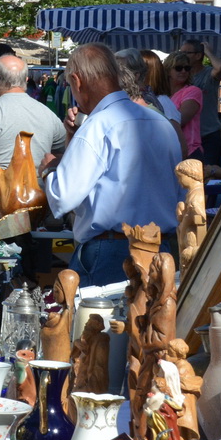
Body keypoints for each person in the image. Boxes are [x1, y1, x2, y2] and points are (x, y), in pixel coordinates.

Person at [42, 43, 183, 288]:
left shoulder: (98, 125)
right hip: (159, 248)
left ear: (77, 81)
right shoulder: (160, 122)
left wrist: (49, 170)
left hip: (112, 251)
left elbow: (63, 197)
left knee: (98, 313)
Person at [0, 55, 68, 204]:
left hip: (1, 200)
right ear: (26, 80)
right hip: (40, 199)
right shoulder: (47, 113)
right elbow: (64, 152)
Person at [180, 39, 221, 165]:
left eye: (186, 53)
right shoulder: (182, 74)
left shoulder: (208, 73)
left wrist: (208, 53)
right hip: (188, 135)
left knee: (207, 172)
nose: (182, 56)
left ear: (198, 55)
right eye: (180, 52)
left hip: (208, 134)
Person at [165, 50, 205, 161]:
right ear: (168, 71)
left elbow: (180, 120)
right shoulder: (162, 94)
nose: (183, 71)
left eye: (187, 68)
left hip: (189, 152)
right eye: (178, 68)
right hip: (169, 152)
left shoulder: (193, 91)